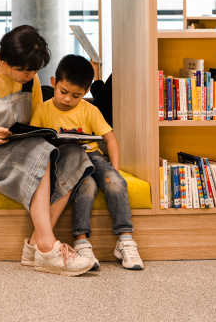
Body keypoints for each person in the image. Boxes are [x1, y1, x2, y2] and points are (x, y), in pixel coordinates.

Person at [0, 25, 94, 276]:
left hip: (14, 149)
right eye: (24, 71)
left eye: (35, 70)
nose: (30, 76)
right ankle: (47, 248)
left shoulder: (30, 79)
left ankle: (36, 244)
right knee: (38, 151)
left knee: (74, 155)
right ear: (4, 61)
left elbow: (32, 124)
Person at [31, 54, 143, 271]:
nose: (67, 100)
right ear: (53, 82)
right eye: (63, 92)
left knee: (116, 182)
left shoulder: (90, 110)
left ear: (86, 92)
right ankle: (81, 243)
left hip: (93, 156)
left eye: (76, 96)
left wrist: (115, 170)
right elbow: (35, 142)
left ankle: (125, 240)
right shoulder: (43, 109)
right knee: (87, 186)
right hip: (66, 161)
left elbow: (111, 140)